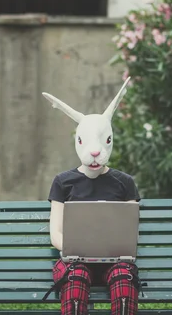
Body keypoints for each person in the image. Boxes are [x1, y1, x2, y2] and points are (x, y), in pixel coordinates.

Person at [41, 77, 142, 315]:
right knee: (75, 277)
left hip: (115, 262)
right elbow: (55, 232)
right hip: (74, 261)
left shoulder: (125, 183)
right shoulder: (63, 182)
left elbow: (130, 231)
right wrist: (74, 248)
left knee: (123, 277)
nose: (95, 153)